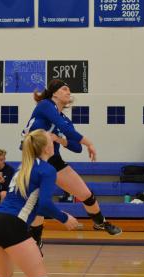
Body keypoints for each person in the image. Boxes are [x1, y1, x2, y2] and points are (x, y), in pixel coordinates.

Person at [21, 79, 121, 250]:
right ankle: (35, 239)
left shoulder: (65, 119)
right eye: (65, 89)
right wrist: (89, 143)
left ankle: (100, 222)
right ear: (55, 93)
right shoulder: (46, 105)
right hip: (34, 158)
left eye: (69, 90)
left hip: (54, 160)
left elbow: (75, 146)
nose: (69, 92)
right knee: (38, 202)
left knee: (87, 195)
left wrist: (59, 140)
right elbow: (67, 130)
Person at [0, 129, 78, 277]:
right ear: (48, 148)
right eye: (52, 140)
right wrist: (64, 218)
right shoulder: (47, 170)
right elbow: (44, 205)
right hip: (12, 224)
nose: (54, 142)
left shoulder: (24, 166)